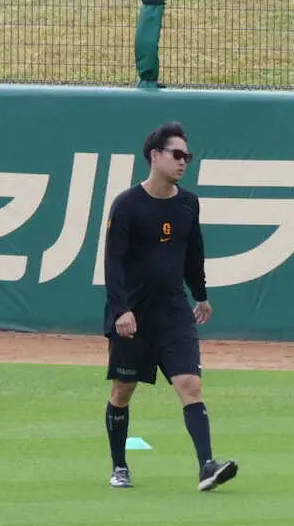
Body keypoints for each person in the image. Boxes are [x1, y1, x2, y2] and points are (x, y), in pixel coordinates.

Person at [103, 121, 238, 492]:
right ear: (154, 156)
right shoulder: (127, 205)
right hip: (134, 315)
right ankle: (119, 466)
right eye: (177, 154)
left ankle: (206, 466)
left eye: (187, 156)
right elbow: (113, 262)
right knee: (123, 390)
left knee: (190, 384)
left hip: (174, 312)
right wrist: (120, 310)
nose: (183, 162)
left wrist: (201, 295)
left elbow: (194, 253)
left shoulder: (188, 203)